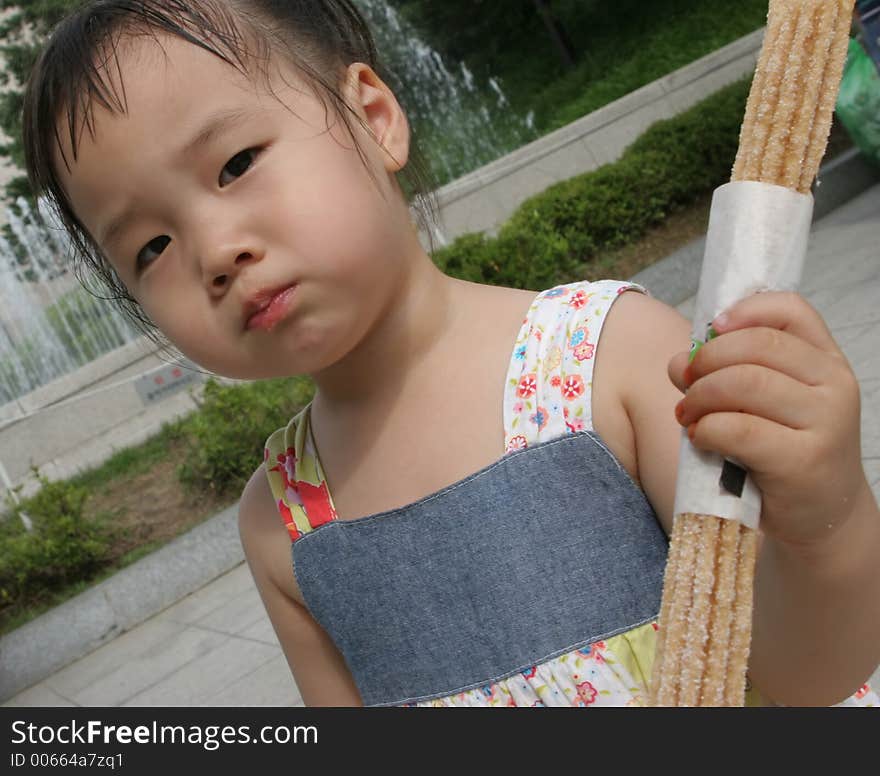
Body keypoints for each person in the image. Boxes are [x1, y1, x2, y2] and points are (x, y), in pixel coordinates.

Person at [21, 0, 880, 707]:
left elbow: (807, 678)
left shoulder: (611, 361)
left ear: (374, 117)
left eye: (237, 161)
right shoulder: (286, 524)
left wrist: (827, 521)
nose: (213, 250)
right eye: (150, 248)